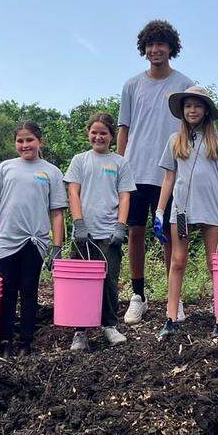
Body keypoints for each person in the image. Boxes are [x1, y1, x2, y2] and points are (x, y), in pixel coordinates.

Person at [116, 19, 194, 325]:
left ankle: (174, 298)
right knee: (135, 232)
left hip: (171, 173)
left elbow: (192, 130)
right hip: (135, 171)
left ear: (171, 48)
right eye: (150, 44)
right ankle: (138, 295)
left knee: (170, 235)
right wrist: (118, 168)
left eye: (161, 44)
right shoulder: (132, 85)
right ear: (143, 49)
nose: (155, 50)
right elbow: (124, 129)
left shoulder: (185, 84)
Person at [154, 86, 218, 340]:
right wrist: (159, 211)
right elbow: (169, 178)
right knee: (177, 260)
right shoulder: (174, 140)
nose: (192, 110)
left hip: (210, 206)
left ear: (206, 110)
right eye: (188, 105)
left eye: (198, 105)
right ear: (182, 110)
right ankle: (171, 318)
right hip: (181, 208)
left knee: (216, 262)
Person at [0, 121, 67, 354]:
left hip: (35, 241)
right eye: (20, 141)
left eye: (29, 140)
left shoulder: (52, 172)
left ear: (40, 141)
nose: (25, 145)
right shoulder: (5, 168)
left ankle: (26, 341)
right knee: (7, 289)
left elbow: (57, 212)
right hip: (6, 238)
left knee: (29, 289)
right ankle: (5, 340)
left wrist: (57, 247)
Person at [64, 111, 136, 352]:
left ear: (112, 136)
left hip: (109, 233)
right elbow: (73, 192)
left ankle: (109, 325)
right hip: (84, 234)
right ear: (88, 134)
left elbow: (125, 196)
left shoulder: (120, 163)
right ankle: (80, 331)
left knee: (109, 280)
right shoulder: (80, 160)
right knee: (81, 284)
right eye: (94, 132)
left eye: (103, 133)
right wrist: (79, 223)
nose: (98, 137)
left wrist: (121, 226)